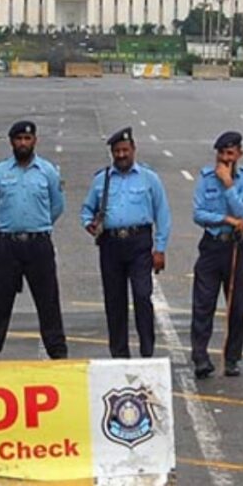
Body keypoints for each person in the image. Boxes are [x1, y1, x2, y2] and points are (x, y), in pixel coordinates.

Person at [0, 121, 67, 361]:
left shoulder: (47, 171)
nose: (23, 143)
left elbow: (57, 206)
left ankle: (58, 352)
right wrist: (9, 224)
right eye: (18, 139)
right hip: (8, 245)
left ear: (35, 141)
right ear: (11, 142)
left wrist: (38, 224)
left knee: (48, 301)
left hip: (39, 244)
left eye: (27, 139)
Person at [81, 127, 171, 359]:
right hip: (110, 245)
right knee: (115, 300)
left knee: (142, 295)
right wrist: (89, 223)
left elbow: (162, 214)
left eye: (125, 150)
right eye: (117, 151)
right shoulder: (102, 180)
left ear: (133, 150)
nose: (121, 155)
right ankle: (119, 354)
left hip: (139, 242)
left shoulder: (149, 178)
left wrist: (159, 249)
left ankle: (147, 351)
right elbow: (87, 208)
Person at [190, 131, 243, 379]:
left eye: (230, 154)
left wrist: (229, 183)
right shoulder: (206, 178)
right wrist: (225, 219)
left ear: (239, 154)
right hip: (212, 243)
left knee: (237, 304)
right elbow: (199, 214)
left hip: (238, 246)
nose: (225, 159)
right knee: (203, 302)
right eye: (221, 153)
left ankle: (232, 358)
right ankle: (200, 356)